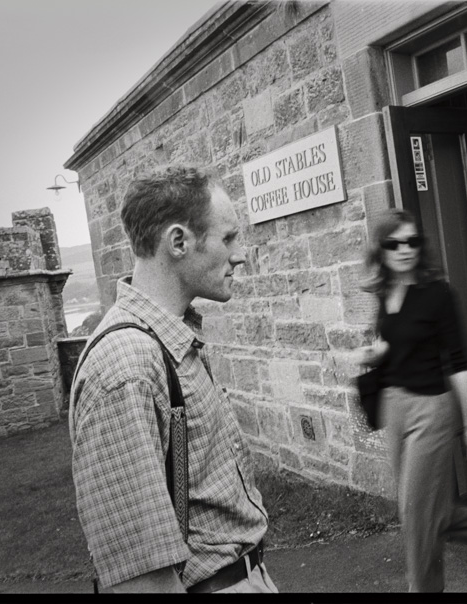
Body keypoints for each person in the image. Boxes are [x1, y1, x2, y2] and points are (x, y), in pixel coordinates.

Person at [69, 165, 277, 593]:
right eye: (228, 238)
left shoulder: (167, 337)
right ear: (179, 241)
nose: (240, 254)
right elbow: (140, 576)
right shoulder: (125, 367)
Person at [355, 209, 467, 592]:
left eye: (412, 241)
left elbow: (461, 362)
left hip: (431, 410)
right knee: (420, 511)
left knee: (418, 517)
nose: (405, 249)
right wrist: (378, 353)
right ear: (381, 249)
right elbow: (394, 342)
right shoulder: (386, 293)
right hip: (394, 405)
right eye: (394, 243)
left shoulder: (438, 294)